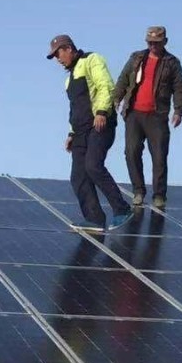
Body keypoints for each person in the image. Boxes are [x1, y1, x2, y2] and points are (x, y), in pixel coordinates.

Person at [46, 34, 133, 233]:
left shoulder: (91, 60)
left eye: (58, 54)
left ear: (69, 48)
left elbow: (105, 86)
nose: (57, 59)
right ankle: (94, 219)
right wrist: (71, 133)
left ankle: (122, 209)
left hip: (99, 124)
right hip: (80, 132)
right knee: (78, 177)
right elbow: (75, 109)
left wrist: (102, 112)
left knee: (93, 166)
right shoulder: (68, 80)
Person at [112, 25, 182, 210]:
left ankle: (159, 195)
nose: (153, 46)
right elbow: (123, 79)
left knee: (159, 156)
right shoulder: (136, 58)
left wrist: (178, 111)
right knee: (131, 152)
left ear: (165, 42)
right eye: (150, 42)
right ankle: (138, 191)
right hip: (134, 114)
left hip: (157, 116)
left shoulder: (172, 63)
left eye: (156, 43)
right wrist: (116, 99)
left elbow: (179, 88)